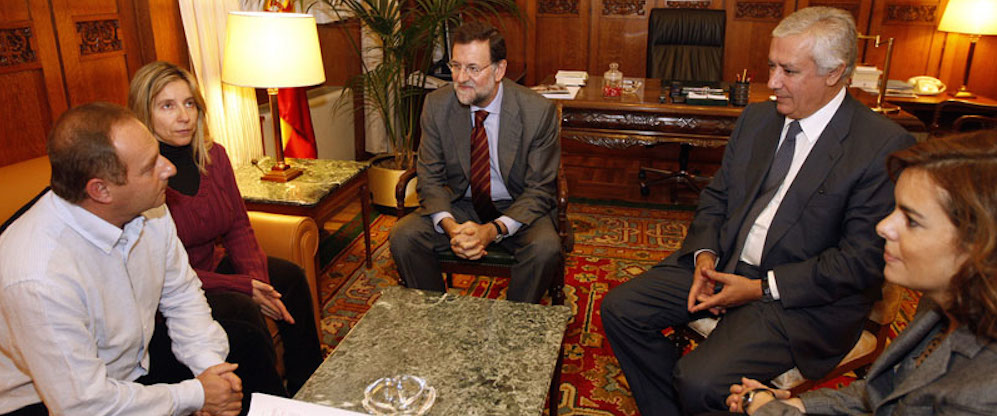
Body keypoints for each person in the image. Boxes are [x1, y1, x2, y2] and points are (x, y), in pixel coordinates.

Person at [600, 7, 917, 415]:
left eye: (789, 71)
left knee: (698, 378)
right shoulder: (757, 119)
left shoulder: (881, 146)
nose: (772, 83)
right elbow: (716, 198)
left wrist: (760, 288)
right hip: (729, 265)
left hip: (801, 297)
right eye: (771, 66)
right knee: (621, 310)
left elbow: (859, 261)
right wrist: (705, 258)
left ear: (835, 73)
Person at [725, 129, 997, 415]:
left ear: (978, 245)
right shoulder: (942, 302)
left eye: (912, 220)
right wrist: (798, 404)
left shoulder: (980, 396)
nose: (883, 227)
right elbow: (884, 393)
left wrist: (768, 409)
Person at [0, 102, 242, 415]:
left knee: (243, 334)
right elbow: (83, 405)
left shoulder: (150, 204)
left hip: (130, 363)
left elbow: (181, 294)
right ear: (101, 190)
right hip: (46, 400)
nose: (169, 168)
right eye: (149, 165)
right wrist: (195, 395)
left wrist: (212, 372)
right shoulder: (38, 275)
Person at [127, 61, 323, 398]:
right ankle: (270, 402)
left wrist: (257, 278)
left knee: (289, 278)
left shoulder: (213, 155)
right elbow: (163, 275)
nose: (183, 116)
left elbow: (238, 226)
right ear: (145, 114)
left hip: (215, 265)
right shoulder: (142, 178)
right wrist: (244, 286)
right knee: (243, 309)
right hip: (172, 291)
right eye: (167, 106)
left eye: (189, 103)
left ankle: (311, 386)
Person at [389, 22, 561, 303]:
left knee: (545, 248)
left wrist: (491, 231)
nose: (460, 78)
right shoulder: (437, 105)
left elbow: (539, 189)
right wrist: (451, 227)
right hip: (461, 202)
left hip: (516, 204)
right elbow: (429, 176)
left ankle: (513, 325)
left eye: (473, 68)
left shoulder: (537, 111)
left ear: (499, 70)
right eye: (456, 66)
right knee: (403, 236)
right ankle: (436, 318)